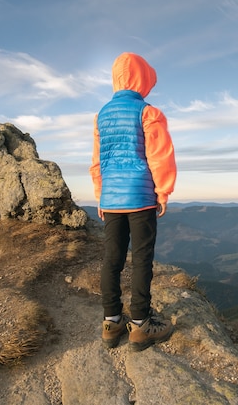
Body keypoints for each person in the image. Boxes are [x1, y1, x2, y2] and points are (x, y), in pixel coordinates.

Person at [89, 52, 177, 352]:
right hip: (140, 197)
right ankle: (140, 326)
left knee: (111, 259)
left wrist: (101, 195)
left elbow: (97, 161)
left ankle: (111, 322)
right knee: (141, 259)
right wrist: (163, 192)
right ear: (142, 78)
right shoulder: (147, 112)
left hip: (111, 199)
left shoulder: (101, 115)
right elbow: (160, 156)